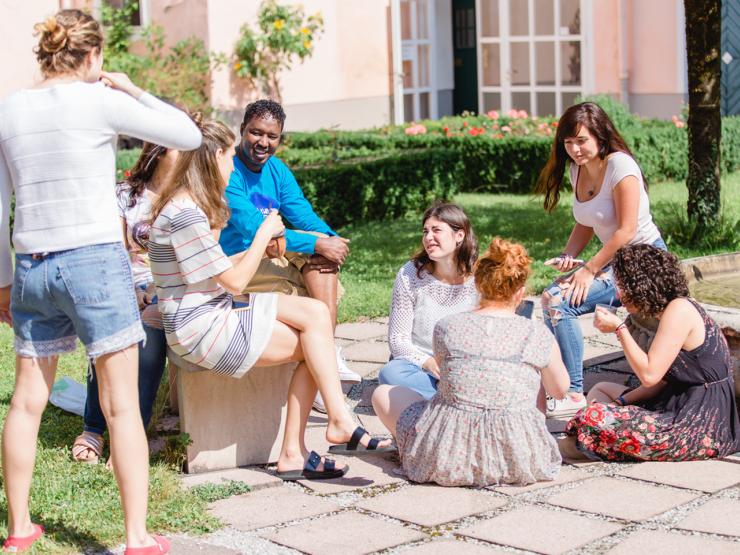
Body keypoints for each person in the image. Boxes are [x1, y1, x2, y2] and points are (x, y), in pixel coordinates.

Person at [0, 9, 201, 554]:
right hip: (94, 261)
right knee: (120, 407)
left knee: (24, 404)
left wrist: (2, 280)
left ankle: (18, 531)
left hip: (33, 265)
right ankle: (136, 537)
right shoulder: (99, 99)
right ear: (91, 56)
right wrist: (132, 89)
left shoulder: (9, 108)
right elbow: (188, 132)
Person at [148, 118, 392, 481]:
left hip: (211, 309)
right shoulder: (185, 215)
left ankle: (331, 424)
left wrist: (291, 240)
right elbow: (233, 282)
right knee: (317, 342)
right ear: (214, 156)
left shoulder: (188, 206)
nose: (233, 164)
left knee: (316, 317)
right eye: (230, 155)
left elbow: (215, 268)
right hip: (202, 329)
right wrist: (265, 235)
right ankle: (303, 444)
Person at [372, 237, 570, 487]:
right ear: (520, 293)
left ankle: (415, 447)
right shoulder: (537, 333)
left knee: (382, 394)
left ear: (478, 284)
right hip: (519, 456)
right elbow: (561, 390)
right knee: (536, 374)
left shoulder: (447, 327)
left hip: (448, 452)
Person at [218, 99, 361, 409]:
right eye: (256, 133)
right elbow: (252, 227)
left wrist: (331, 240)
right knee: (313, 251)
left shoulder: (277, 170)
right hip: (238, 263)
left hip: (272, 252)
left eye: (273, 136)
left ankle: (327, 356)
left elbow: (304, 216)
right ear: (242, 130)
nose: (264, 143)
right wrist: (317, 244)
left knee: (322, 263)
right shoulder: (229, 171)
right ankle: (327, 368)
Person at [535, 101, 666, 417]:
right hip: (617, 260)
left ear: (600, 137)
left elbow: (626, 230)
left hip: (645, 262)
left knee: (557, 301)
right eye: (568, 142)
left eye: (581, 140)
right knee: (551, 297)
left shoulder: (621, 166)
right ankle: (567, 388)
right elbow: (587, 219)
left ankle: (573, 392)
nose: (575, 149)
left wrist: (589, 270)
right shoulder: (576, 170)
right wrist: (570, 256)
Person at [567, 244, 740, 461]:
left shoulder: (679, 311)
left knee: (592, 417)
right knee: (601, 390)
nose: (619, 294)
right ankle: (604, 436)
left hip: (698, 423)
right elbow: (662, 381)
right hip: (676, 402)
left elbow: (649, 375)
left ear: (641, 285)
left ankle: (595, 440)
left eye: (622, 285)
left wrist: (620, 329)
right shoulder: (672, 309)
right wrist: (621, 403)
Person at [72, 142, 178, 464]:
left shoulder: (187, 196)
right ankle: (93, 428)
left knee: (150, 339)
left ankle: (130, 438)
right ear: (160, 152)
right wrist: (132, 292)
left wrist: (155, 292)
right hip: (124, 283)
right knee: (108, 333)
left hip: (168, 287)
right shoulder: (125, 195)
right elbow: (115, 254)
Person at [378, 203, 479, 399]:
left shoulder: (480, 277)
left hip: (465, 365)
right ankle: (459, 397)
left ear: (459, 235)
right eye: (425, 231)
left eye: (436, 230)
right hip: (421, 366)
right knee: (390, 374)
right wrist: (428, 362)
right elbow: (398, 341)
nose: (428, 237)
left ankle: (449, 395)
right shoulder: (410, 275)